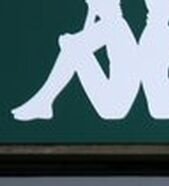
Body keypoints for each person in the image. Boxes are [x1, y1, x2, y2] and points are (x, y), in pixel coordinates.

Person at [11, 0, 140, 121]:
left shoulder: (113, 26)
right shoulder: (114, 25)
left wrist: (69, 41)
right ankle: (43, 102)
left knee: (72, 46)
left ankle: (43, 102)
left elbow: (78, 43)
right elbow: (83, 39)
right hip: (112, 106)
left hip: (113, 106)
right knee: (73, 47)